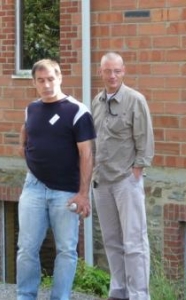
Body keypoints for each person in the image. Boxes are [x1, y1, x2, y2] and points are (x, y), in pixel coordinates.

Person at [17, 59, 96, 300]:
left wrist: (83, 194)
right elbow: (26, 131)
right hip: (34, 187)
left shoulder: (77, 111)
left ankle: (59, 297)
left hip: (66, 192)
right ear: (34, 83)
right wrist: (25, 150)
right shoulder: (32, 108)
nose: (46, 85)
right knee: (27, 249)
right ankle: (25, 295)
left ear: (59, 77)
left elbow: (87, 154)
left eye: (51, 79)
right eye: (41, 80)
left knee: (66, 250)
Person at [92, 52, 154, 300]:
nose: (112, 75)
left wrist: (137, 169)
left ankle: (139, 295)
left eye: (116, 70)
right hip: (102, 181)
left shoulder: (135, 100)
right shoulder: (96, 101)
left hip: (126, 180)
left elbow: (145, 140)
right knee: (111, 241)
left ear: (124, 71)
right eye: (107, 71)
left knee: (135, 242)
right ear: (101, 73)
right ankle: (119, 292)